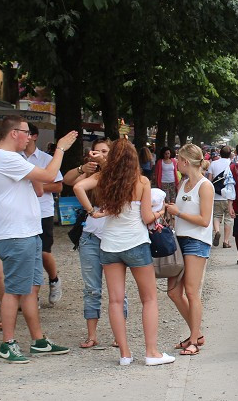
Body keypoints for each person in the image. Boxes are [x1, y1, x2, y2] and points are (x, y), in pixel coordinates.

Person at [74, 138, 174, 367]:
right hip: (136, 244)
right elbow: (147, 218)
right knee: (149, 299)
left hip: (109, 246)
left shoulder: (103, 179)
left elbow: (78, 186)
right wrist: (161, 213)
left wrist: (92, 211)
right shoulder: (141, 181)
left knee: (115, 301)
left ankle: (125, 355)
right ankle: (151, 352)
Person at [0, 117, 76, 363]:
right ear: (14, 133)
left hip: (27, 232)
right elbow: (48, 175)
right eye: (26, 133)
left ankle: (38, 340)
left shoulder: (14, 159)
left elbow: (38, 188)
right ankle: (8, 343)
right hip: (15, 234)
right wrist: (60, 149)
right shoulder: (4, 157)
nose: (30, 137)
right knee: (14, 290)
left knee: (30, 290)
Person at [63, 139, 127, 349]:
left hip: (113, 236)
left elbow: (118, 185)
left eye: (105, 152)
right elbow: (69, 181)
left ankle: (119, 335)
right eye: (96, 151)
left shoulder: (118, 173)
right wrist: (85, 168)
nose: (100, 155)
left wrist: (105, 165)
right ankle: (92, 335)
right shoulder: (91, 173)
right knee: (92, 288)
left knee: (117, 291)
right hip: (90, 236)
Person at [163, 143, 213, 356]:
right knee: (174, 292)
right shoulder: (184, 183)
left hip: (196, 241)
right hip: (180, 240)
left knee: (191, 291)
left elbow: (204, 220)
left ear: (185, 162)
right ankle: (196, 333)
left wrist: (178, 213)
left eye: (178, 160)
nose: (176, 163)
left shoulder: (205, 186)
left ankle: (194, 339)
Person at [22, 126, 64, 305]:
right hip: (22, 212)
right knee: (28, 254)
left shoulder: (47, 159)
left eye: (26, 133)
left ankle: (54, 280)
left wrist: (36, 187)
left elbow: (58, 186)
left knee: (44, 253)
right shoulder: (16, 158)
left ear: (34, 136)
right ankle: (32, 294)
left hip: (43, 212)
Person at [206, 146, 234, 248]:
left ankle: (217, 231)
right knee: (228, 218)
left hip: (216, 195)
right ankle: (226, 241)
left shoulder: (213, 163)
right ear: (230, 154)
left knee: (216, 216)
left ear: (219, 153)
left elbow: (209, 181)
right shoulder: (232, 164)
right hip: (229, 196)